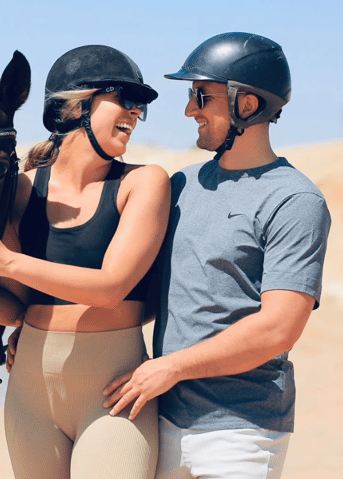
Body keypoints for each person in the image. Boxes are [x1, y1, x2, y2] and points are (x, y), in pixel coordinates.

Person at [102, 32, 331, 479]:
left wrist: (170, 367)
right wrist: (42, 330)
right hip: (161, 418)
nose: (190, 110)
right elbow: (142, 291)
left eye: (201, 96)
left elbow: (278, 329)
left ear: (247, 105)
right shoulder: (181, 186)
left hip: (241, 431)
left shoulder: (295, 200)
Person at [0, 45, 171, 479]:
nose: (136, 113)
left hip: (113, 392)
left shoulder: (143, 182)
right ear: (76, 106)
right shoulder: (22, 189)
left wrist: (3, 261)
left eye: (139, 106)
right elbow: (15, 309)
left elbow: (111, 287)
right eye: (125, 98)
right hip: (29, 390)